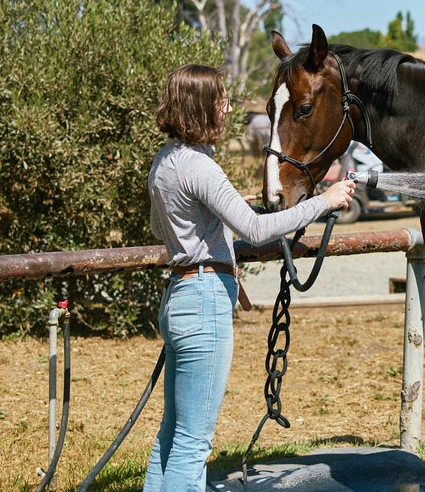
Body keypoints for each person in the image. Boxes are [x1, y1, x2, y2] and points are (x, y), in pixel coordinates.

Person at [143, 63, 355, 492]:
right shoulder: (200, 168)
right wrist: (325, 201)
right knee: (193, 443)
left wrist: (218, 211)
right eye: (220, 99)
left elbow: (162, 224)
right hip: (203, 302)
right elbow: (256, 230)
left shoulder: (165, 161)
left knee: (171, 435)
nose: (226, 108)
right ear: (200, 107)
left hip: (178, 295)